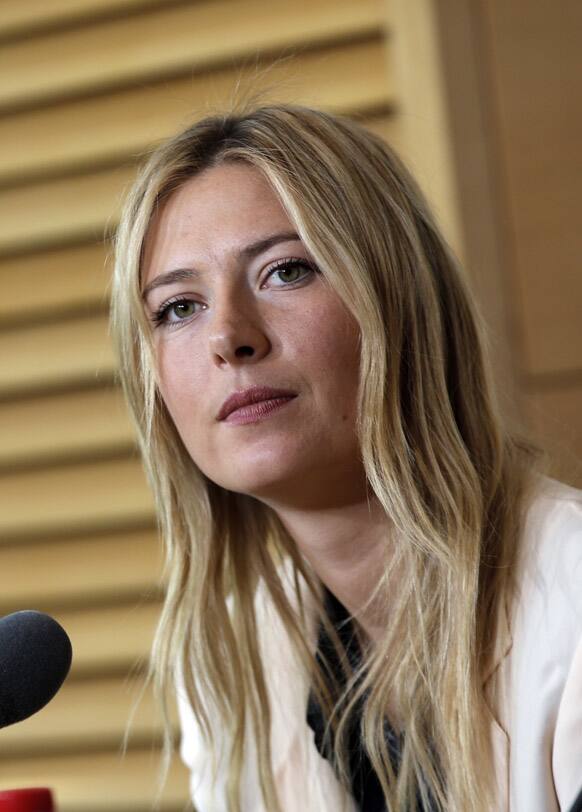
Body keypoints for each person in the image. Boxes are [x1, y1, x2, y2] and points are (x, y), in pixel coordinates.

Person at [110, 104, 582, 812]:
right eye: (179, 308)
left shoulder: (571, 600)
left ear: (400, 299)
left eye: (286, 270)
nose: (229, 337)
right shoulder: (233, 659)